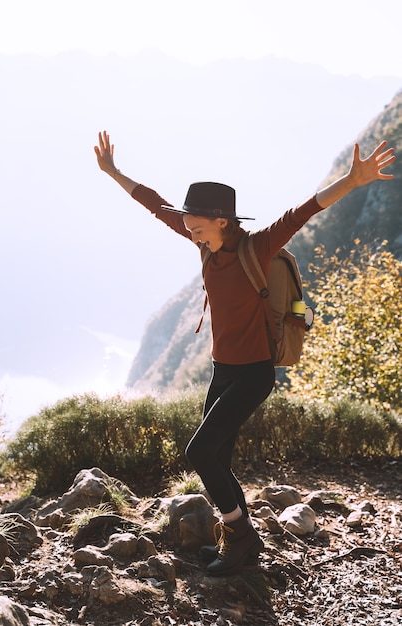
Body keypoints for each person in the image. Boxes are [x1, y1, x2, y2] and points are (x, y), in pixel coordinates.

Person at [94, 131, 395, 576]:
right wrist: (114, 173)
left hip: (254, 373)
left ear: (221, 221)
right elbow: (155, 205)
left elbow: (302, 213)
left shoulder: (257, 247)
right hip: (222, 371)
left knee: (199, 453)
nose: (188, 229)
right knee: (216, 458)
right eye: (188, 223)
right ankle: (241, 541)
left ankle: (239, 538)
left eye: (195, 223)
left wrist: (351, 182)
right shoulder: (204, 242)